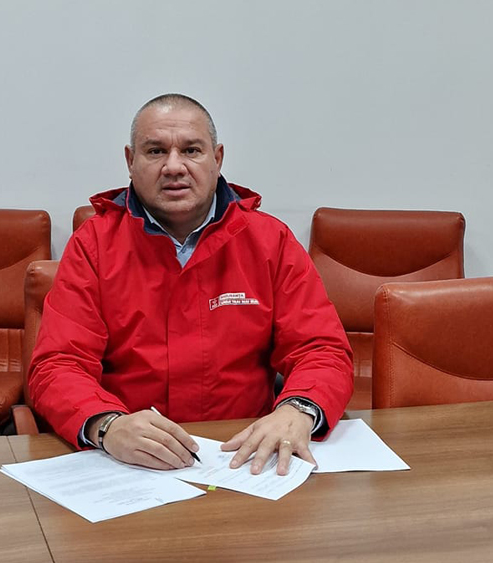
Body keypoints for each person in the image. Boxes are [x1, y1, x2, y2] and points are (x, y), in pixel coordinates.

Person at [28, 94, 353, 476]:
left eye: (191, 150)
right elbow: (58, 365)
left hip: (245, 459)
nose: (173, 166)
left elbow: (321, 349)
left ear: (217, 158)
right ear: (130, 161)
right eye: (155, 151)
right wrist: (106, 425)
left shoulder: (269, 242)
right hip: (129, 464)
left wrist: (297, 410)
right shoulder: (94, 245)